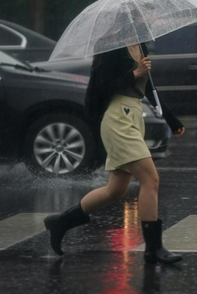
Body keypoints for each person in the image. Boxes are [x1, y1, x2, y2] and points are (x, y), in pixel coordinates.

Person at [44, 42, 185, 265]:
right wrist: (135, 72)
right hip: (118, 119)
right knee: (151, 179)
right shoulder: (113, 51)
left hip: (135, 117)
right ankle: (154, 249)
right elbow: (103, 88)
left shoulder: (141, 46)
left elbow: (149, 88)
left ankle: (60, 223)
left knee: (115, 190)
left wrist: (171, 119)